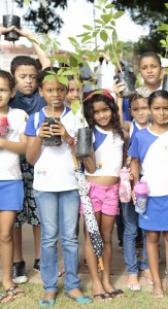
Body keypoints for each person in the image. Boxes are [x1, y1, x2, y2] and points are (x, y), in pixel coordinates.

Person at [24, 68, 95, 306]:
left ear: (66, 91)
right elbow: (31, 159)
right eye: (50, 90)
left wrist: (67, 136)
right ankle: (50, 286)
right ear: (41, 91)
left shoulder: (76, 117)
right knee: (48, 238)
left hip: (70, 185)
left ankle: (73, 286)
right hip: (44, 185)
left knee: (70, 239)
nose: (55, 94)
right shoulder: (34, 118)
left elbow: (84, 155)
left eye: (60, 90)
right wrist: (38, 136)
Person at [129, 90, 168, 298]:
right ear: (150, 109)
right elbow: (134, 162)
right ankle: (156, 284)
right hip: (149, 194)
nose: (161, 113)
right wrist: (135, 186)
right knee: (151, 237)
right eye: (157, 108)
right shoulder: (140, 135)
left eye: (165, 108)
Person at [6, 27, 51, 282]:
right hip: (12, 164)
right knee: (13, 215)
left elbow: (46, 63)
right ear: (12, 79)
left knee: (37, 214)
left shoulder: (40, 98)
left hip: (37, 163)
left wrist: (29, 37)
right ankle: (17, 261)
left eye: (32, 76)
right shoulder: (8, 100)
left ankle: (40, 258)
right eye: (22, 76)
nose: (29, 81)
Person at [82, 90, 125, 300]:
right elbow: (88, 164)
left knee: (107, 237)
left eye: (105, 110)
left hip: (113, 191)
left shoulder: (120, 132)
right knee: (93, 237)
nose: (102, 115)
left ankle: (106, 279)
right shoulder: (89, 133)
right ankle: (96, 282)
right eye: (96, 112)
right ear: (91, 115)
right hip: (92, 191)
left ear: (112, 110)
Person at [115, 92, 151, 290]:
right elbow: (118, 121)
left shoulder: (157, 129)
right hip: (128, 183)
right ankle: (131, 271)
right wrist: (119, 99)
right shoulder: (128, 128)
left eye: (145, 107)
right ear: (131, 111)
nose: (141, 112)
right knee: (130, 229)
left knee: (147, 228)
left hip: (149, 183)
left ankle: (146, 266)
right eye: (136, 109)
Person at [0, 70, 27, 304]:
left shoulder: (19, 115)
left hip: (10, 180)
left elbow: (25, 148)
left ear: (11, 92)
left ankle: (7, 279)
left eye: (2, 90)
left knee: (6, 234)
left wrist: (2, 141)